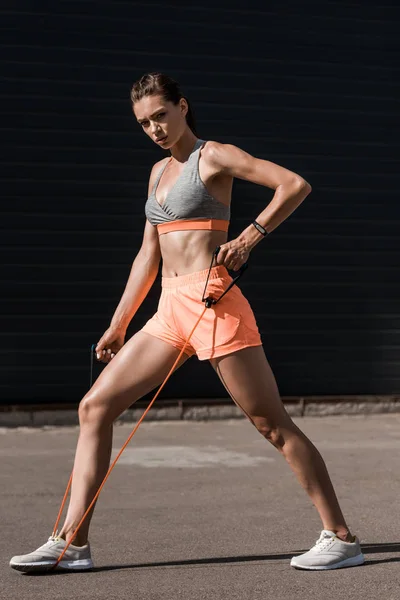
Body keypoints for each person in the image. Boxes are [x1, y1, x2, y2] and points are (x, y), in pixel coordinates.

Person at [10, 73, 364, 573]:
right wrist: (118, 324)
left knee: (272, 424)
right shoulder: (156, 175)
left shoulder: (213, 156)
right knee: (95, 407)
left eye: (161, 115)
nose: (154, 128)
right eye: (144, 122)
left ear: (182, 107)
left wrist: (247, 239)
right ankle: (71, 543)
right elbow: (146, 256)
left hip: (214, 304)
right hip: (169, 310)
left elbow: (293, 184)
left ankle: (341, 536)